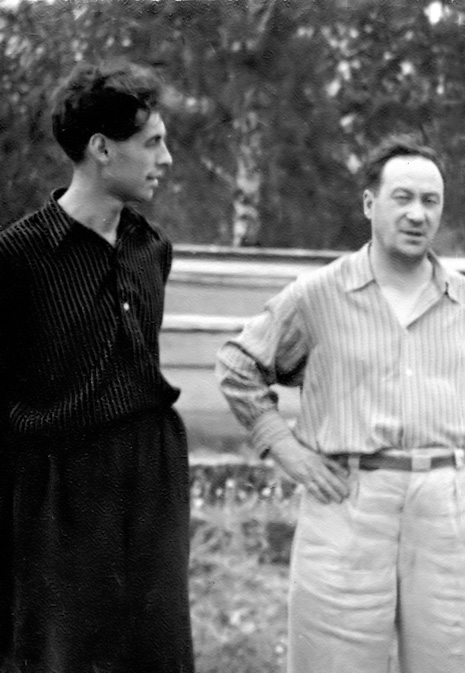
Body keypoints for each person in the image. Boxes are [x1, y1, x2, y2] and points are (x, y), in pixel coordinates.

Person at [216, 135, 465, 673]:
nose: (417, 214)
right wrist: (289, 452)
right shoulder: (317, 295)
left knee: (449, 661)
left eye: (430, 201)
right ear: (368, 204)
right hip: (348, 498)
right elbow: (239, 368)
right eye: (402, 198)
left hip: (445, 508)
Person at [0, 62, 193, 672]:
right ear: (102, 149)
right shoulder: (18, 256)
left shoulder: (151, 249)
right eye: (152, 143)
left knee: (157, 650)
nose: (166, 159)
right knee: (66, 655)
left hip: (152, 472)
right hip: (60, 485)